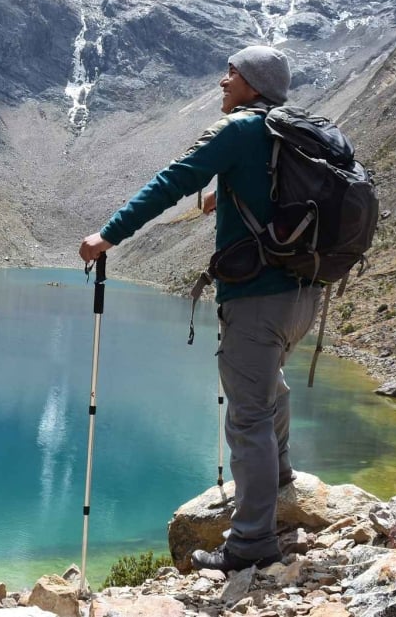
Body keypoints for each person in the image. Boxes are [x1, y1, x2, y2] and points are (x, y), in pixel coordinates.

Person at [78, 45, 320, 573]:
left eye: (232, 73)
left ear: (253, 84)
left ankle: (251, 544)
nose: (222, 80)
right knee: (268, 385)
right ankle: (277, 481)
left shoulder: (237, 132)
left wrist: (108, 235)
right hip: (305, 294)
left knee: (247, 415)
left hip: (257, 298)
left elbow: (173, 181)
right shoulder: (291, 131)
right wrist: (226, 196)